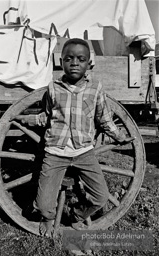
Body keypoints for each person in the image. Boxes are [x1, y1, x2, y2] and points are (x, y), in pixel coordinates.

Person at [15, 38, 131, 237]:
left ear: (89, 63)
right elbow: (47, 117)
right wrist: (25, 119)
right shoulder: (53, 88)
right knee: (43, 205)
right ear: (61, 61)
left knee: (101, 197)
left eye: (81, 59)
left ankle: (76, 215)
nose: (75, 63)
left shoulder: (96, 89)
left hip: (84, 152)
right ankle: (49, 217)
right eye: (69, 58)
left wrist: (118, 136)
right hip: (55, 152)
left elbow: (104, 119)